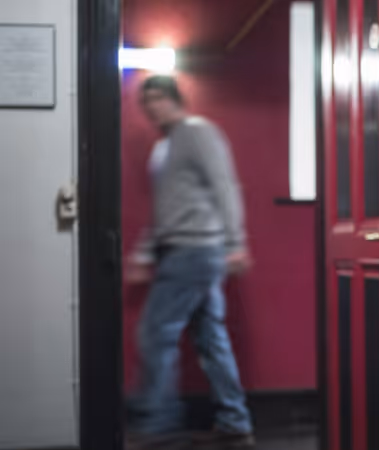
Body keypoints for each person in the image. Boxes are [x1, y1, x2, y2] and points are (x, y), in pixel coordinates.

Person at [126, 75, 254, 448]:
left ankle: (156, 425)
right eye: (146, 101)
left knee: (155, 333)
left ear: (175, 98)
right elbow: (165, 211)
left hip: (194, 252)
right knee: (211, 340)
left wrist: (235, 242)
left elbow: (224, 185)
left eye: (158, 98)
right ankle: (234, 422)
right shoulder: (163, 148)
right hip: (185, 250)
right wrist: (145, 252)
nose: (152, 106)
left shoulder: (198, 132)